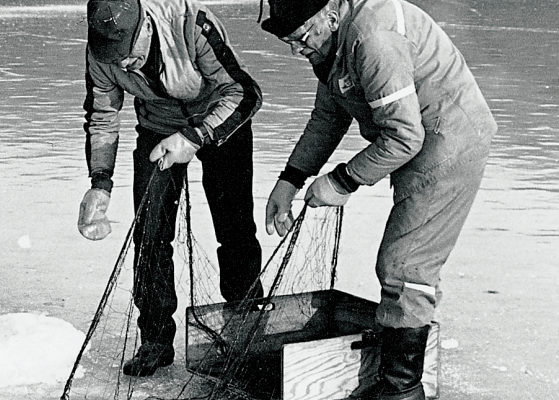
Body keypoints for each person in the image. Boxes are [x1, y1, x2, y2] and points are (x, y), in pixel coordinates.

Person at [259, 0, 496, 398]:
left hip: (449, 141)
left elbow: (405, 136)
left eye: (300, 39)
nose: (296, 50)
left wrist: (341, 181)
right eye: (288, 43)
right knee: (400, 264)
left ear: (330, 18)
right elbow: (327, 117)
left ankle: (401, 391)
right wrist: (290, 179)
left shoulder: (373, 40)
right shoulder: (331, 44)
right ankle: (394, 380)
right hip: (416, 141)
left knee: (403, 266)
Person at [77, 0, 264, 377]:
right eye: (114, 58)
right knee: (150, 235)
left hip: (218, 121)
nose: (123, 66)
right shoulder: (100, 49)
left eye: (127, 55)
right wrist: (100, 182)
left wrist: (195, 137)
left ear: (144, 26)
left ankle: (245, 329)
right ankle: (156, 340)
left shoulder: (192, 24)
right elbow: (102, 115)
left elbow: (245, 94)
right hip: (157, 129)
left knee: (235, 230)